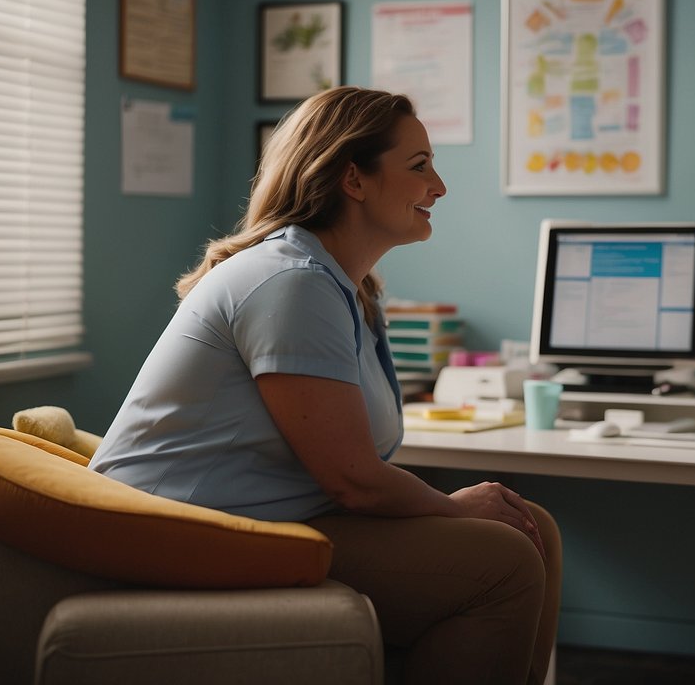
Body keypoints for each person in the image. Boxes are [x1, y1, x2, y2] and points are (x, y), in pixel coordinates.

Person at [91, 86, 561, 684]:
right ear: (354, 180)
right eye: (419, 168)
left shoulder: (347, 287)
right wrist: (450, 506)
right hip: (186, 531)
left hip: (260, 520)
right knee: (508, 562)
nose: (438, 187)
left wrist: (454, 510)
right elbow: (353, 481)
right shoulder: (291, 282)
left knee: (531, 526)